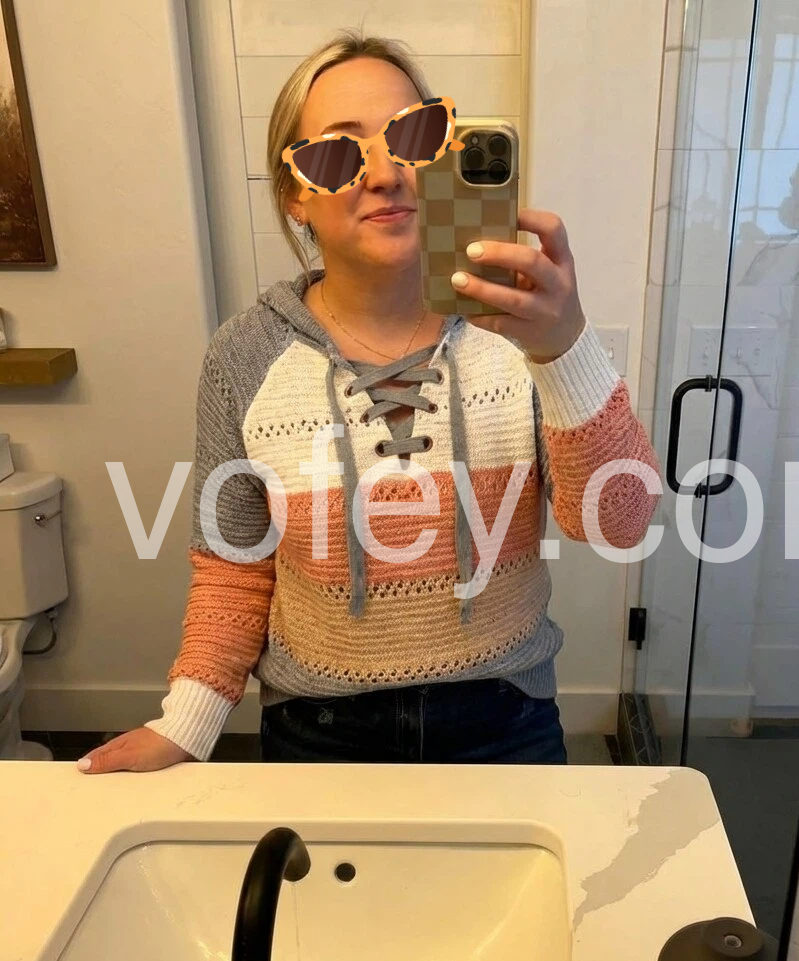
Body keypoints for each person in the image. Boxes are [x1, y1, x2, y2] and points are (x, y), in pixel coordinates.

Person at [79, 30, 659, 774]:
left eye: (411, 138)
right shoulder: (243, 355)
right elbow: (233, 564)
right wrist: (187, 724)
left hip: (505, 720)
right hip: (318, 730)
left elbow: (619, 524)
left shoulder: (525, 332)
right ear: (295, 196)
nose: (385, 175)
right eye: (335, 154)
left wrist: (566, 348)